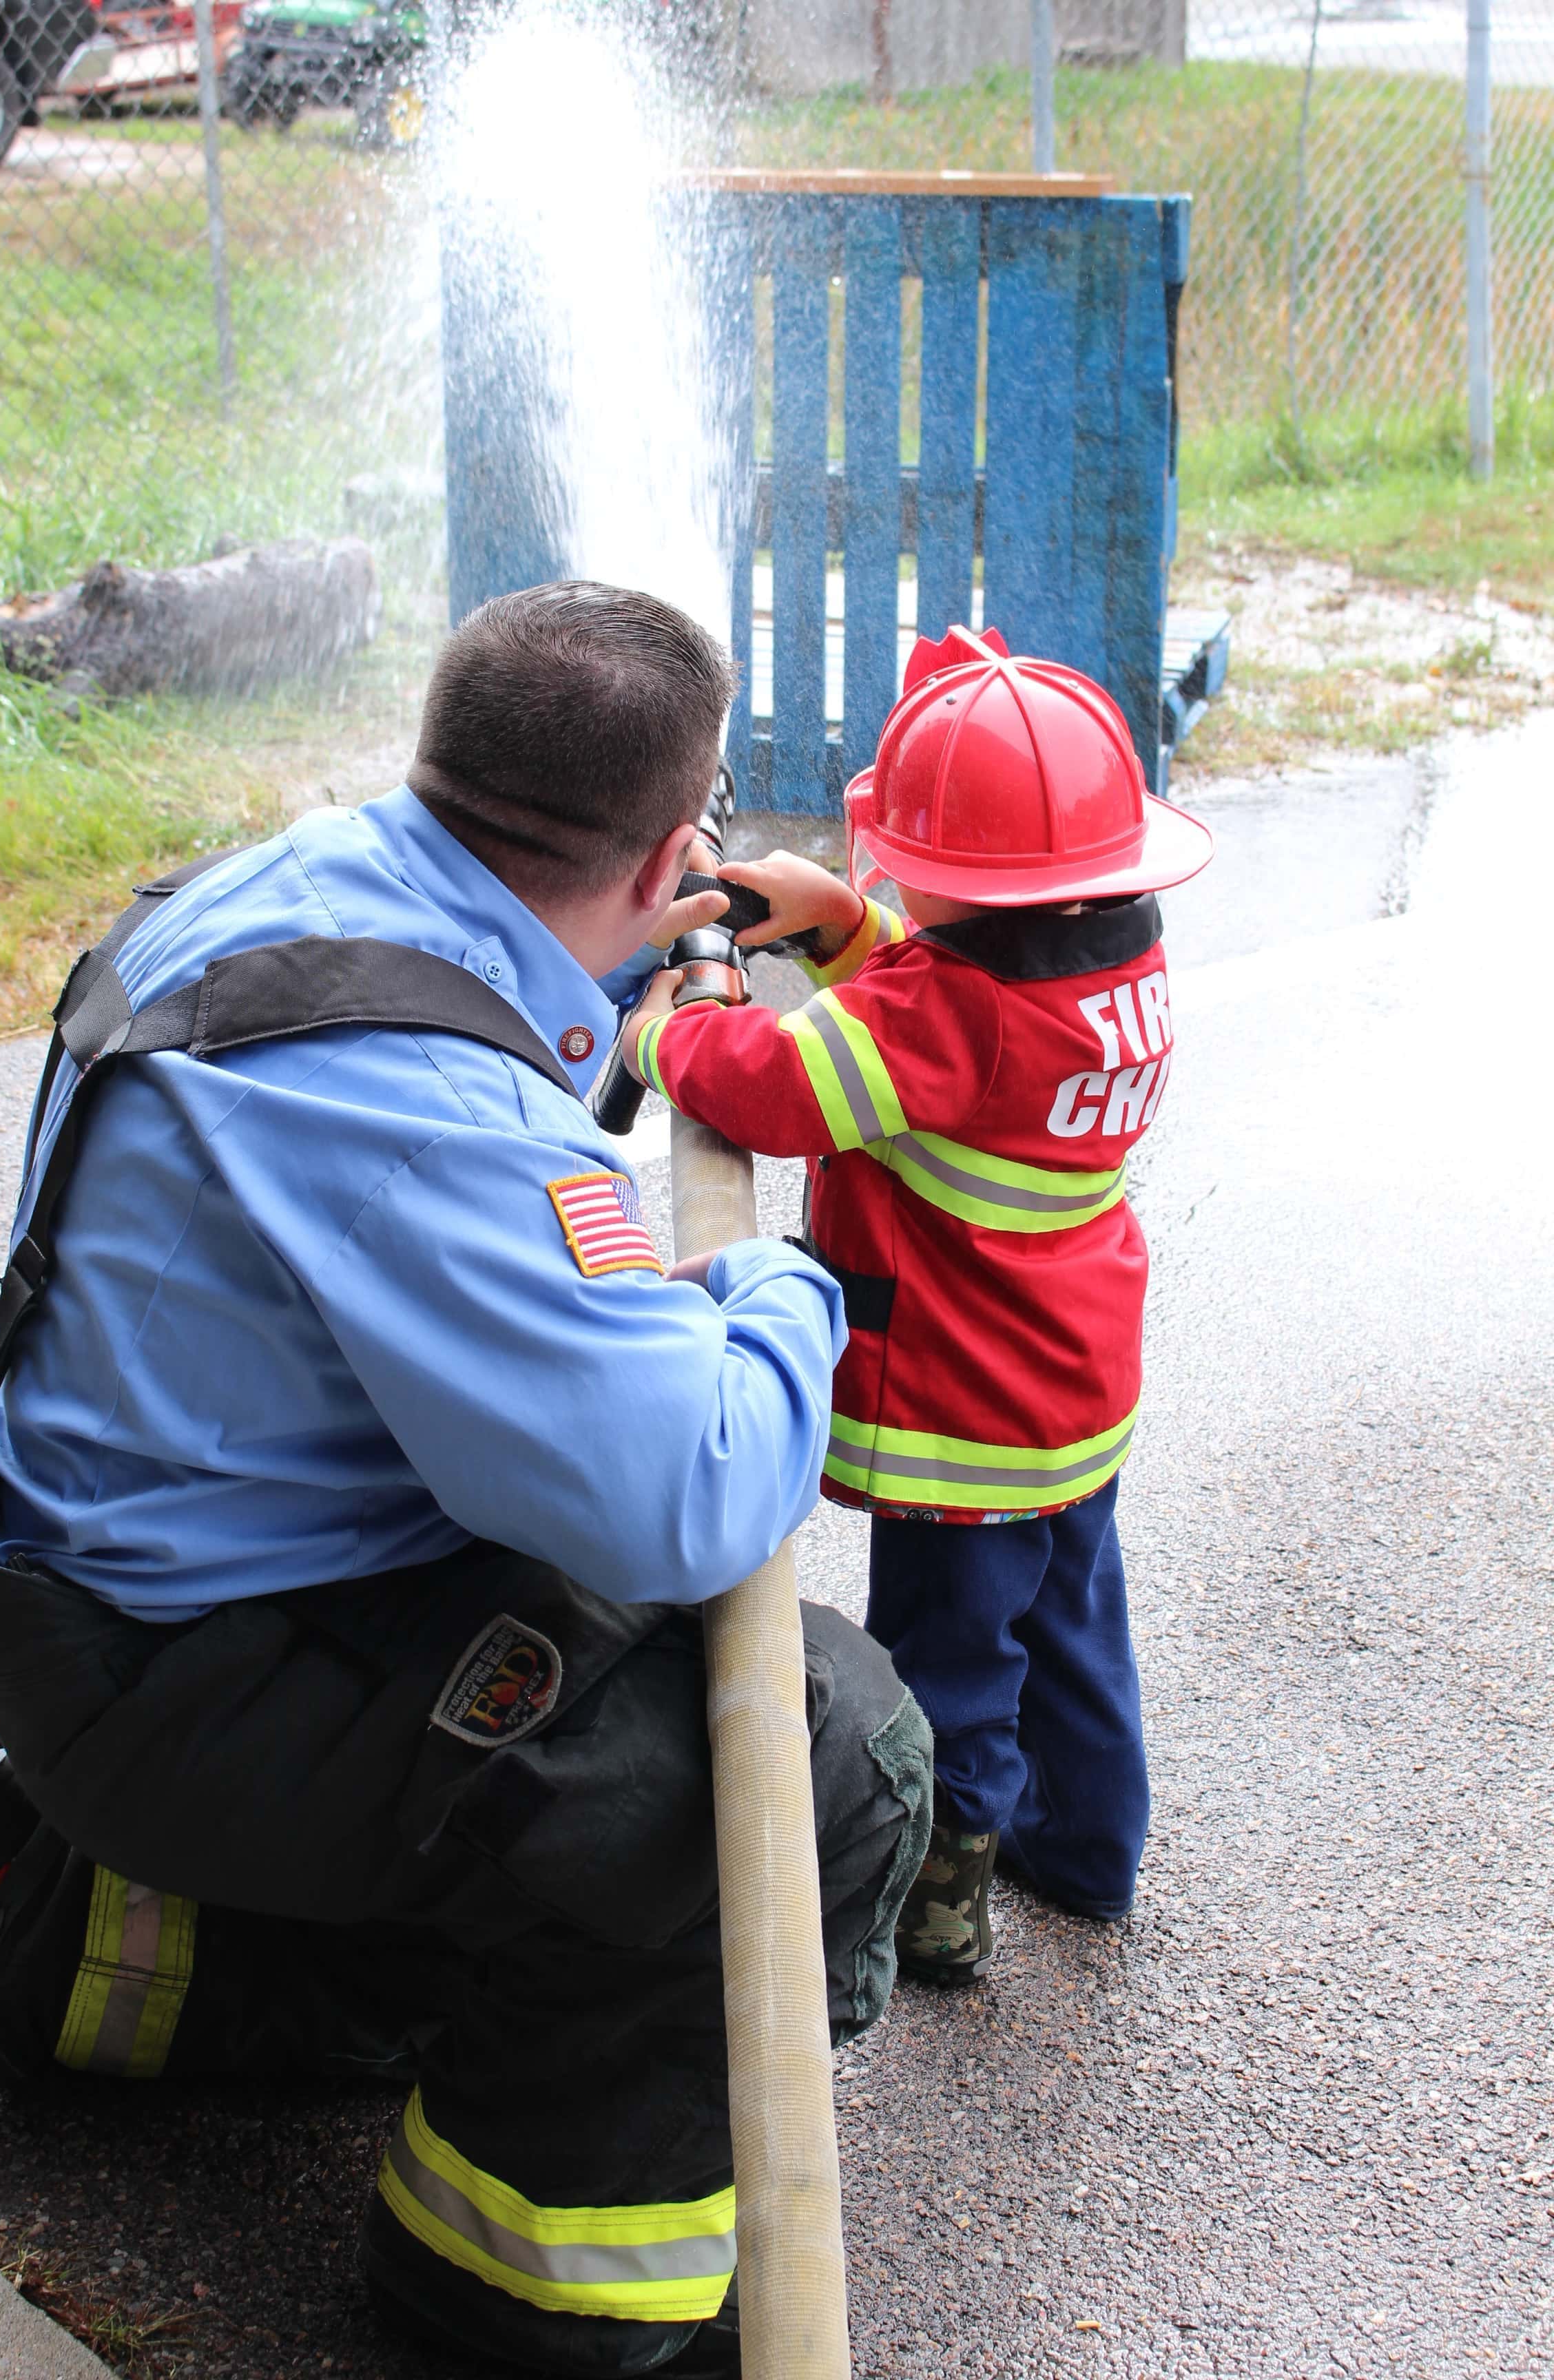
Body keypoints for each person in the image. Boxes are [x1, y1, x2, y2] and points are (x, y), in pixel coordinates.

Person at [0, 582, 933, 2379]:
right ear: (662, 854)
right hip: (174, 1679)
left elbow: (519, 1026)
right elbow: (689, 1490)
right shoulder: (420, 1107)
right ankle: (515, 2295)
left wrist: (667, 964)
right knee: (811, 1750)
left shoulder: (312, 887)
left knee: (578, 1679)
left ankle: (127, 1953)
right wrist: (777, 1288)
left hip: (128, 1599)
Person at [623, 626, 1213, 1984]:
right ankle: (1092, 1850)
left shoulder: (944, 1017)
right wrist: (841, 925)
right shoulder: (1110, 968)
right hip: (1073, 1388)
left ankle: (938, 1904)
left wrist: (666, 1030)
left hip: (966, 1410)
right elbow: (957, 1023)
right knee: (1071, 1630)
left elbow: (779, 1085)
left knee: (948, 1663)